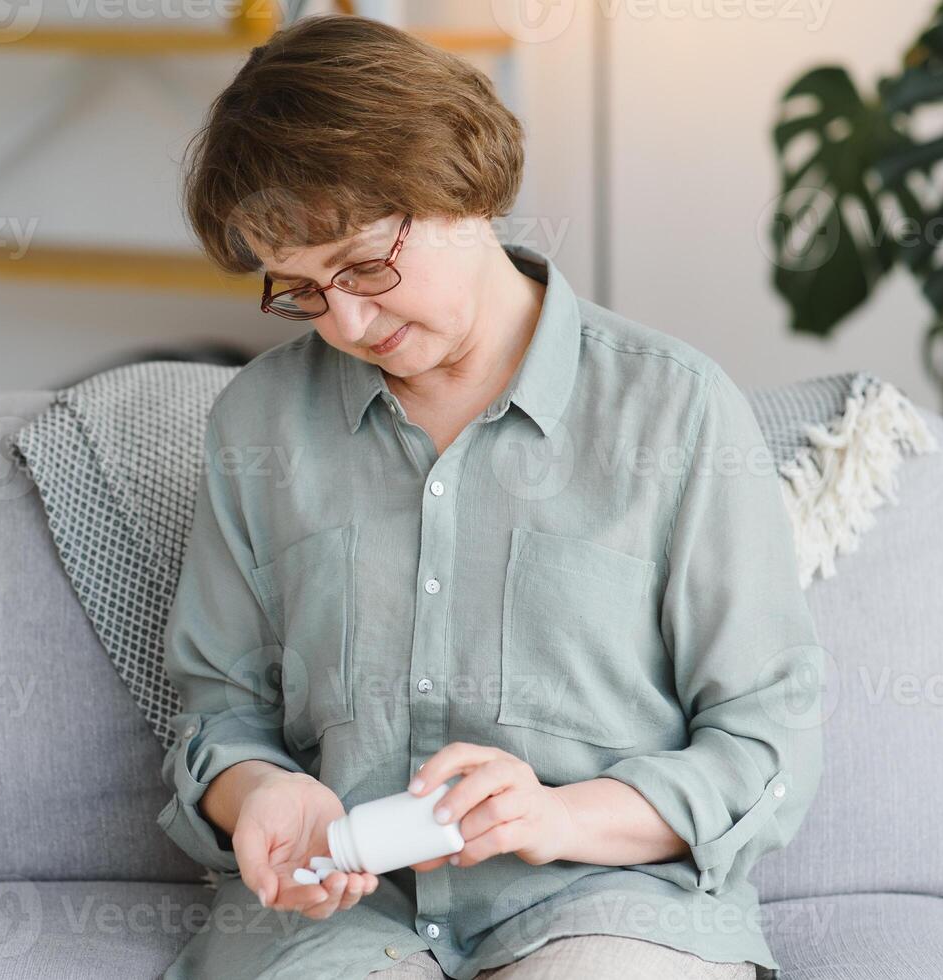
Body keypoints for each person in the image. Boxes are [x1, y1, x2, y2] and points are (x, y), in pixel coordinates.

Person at [156, 14, 823, 980]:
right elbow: (221, 711)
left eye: (365, 263)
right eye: (297, 288)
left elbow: (768, 741)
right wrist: (257, 792)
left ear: (459, 184)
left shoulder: (674, 412)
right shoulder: (258, 426)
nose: (345, 320)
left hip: (606, 905)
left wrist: (558, 816)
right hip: (340, 922)